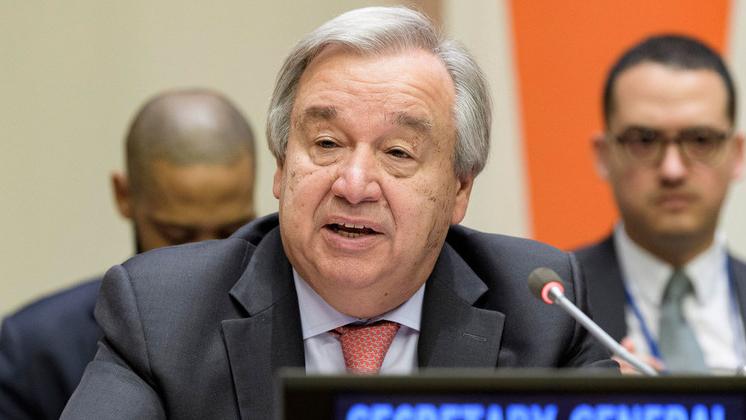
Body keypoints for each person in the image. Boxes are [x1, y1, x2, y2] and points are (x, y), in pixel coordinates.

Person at [61, 7, 615, 419]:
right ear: (282, 167)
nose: (353, 185)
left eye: (398, 153)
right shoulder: (163, 314)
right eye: (326, 143)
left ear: (459, 188)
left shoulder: (542, 311)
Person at [0, 88, 257, 420]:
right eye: (177, 236)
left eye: (231, 231)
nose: (207, 256)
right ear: (124, 196)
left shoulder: (297, 327)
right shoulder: (35, 353)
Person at [576, 34, 745, 374]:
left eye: (701, 140)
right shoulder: (555, 307)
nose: (672, 170)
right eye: (644, 140)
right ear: (604, 155)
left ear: (737, 155)